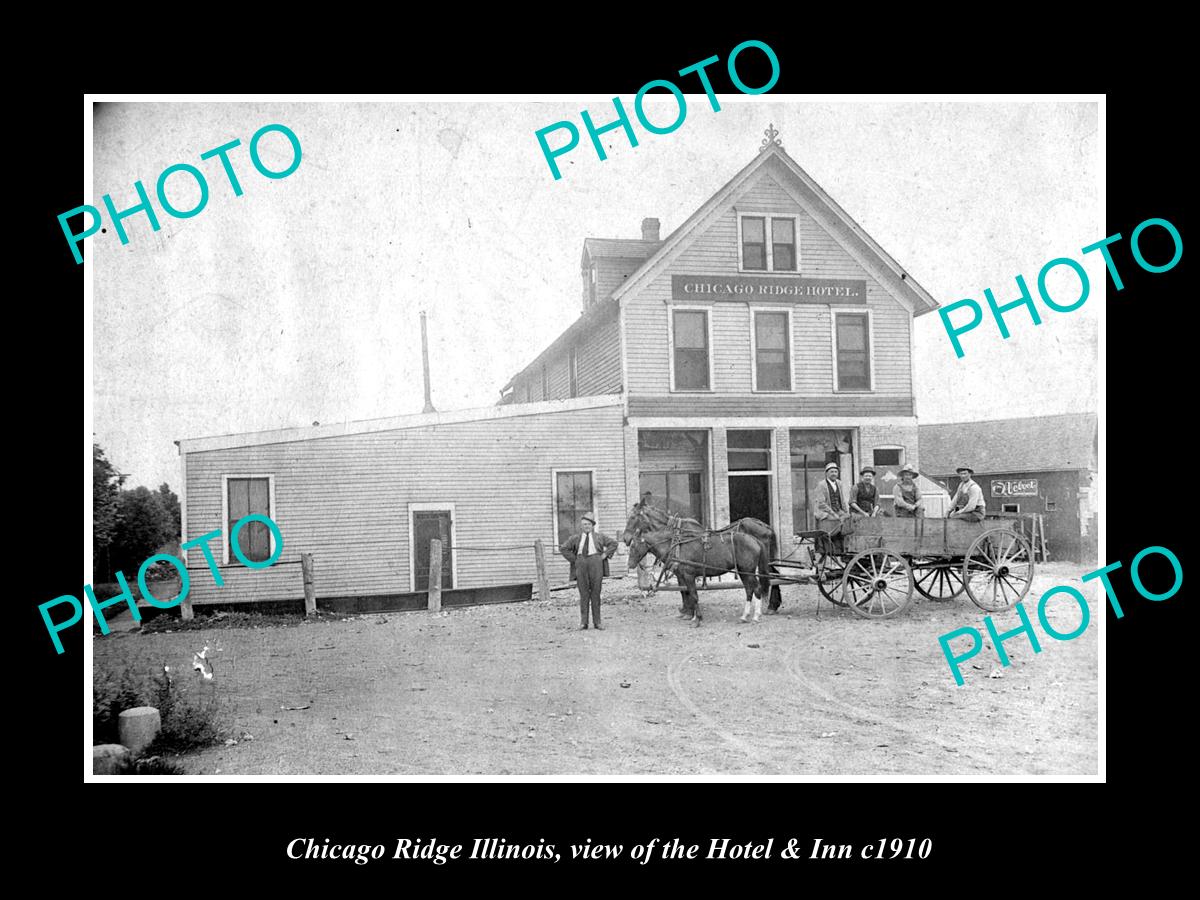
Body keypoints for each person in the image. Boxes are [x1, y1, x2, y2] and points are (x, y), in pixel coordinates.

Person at [560, 512, 618, 630]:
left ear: (592, 526)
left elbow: (614, 543)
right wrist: (574, 560)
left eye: (588, 524)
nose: (586, 526)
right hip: (581, 564)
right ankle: (583, 623)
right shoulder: (575, 538)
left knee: (596, 593)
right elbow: (564, 548)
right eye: (584, 524)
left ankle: (597, 622)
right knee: (584, 594)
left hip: (596, 563)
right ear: (581, 526)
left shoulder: (599, 537)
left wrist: (605, 554)